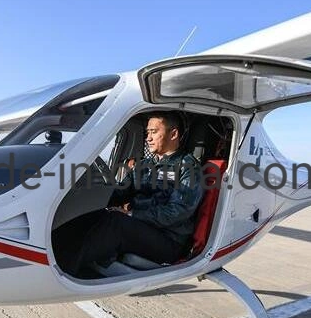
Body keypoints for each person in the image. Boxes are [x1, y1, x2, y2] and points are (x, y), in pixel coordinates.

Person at [52, 111, 203, 276]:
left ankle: (64, 272)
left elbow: (177, 211)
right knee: (94, 214)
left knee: (116, 223)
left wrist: (132, 214)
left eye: (154, 132)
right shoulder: (144, 165)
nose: (148, 138)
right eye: (147, 133)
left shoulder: (188, 167)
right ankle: (50, 256)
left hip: (168, 239)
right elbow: (120, 192)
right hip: (140, 227)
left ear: (173, 134)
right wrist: (90, 199)